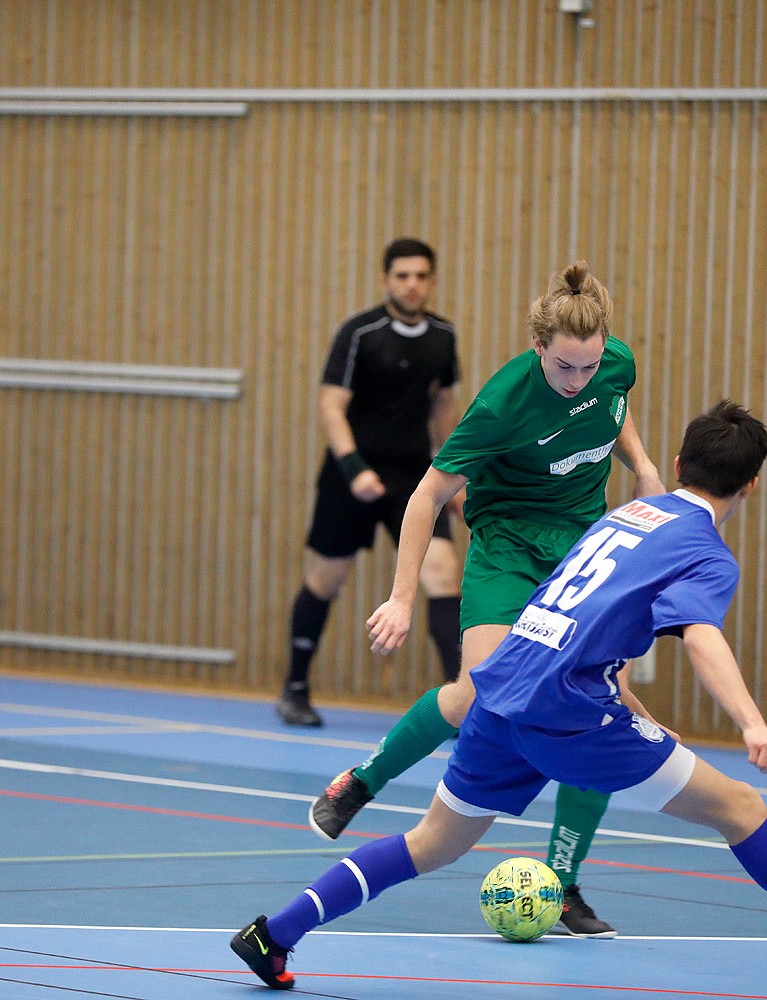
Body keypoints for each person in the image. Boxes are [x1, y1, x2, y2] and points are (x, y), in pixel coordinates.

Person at [233, 401, 767, 989]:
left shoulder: (626, 517)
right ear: (751, 486)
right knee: (741, 806)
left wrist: (629, 711)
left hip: (503, 688)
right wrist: (752, 723)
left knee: (430, 844)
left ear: (675, 466)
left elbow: (569, 619)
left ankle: (275, 934)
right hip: (567, 713)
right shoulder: (705, 552)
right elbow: (700, 638)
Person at [307, 260, 664, 936]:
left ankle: (563, 883)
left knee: (596, 707)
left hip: (582, 549)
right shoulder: (503, 401)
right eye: (564, 367)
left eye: (588, 367)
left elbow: (614, 411)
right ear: (538, 348)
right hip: (506, 543)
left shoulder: (615, 365)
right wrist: (402, 598)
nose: (577, 380)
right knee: (477, 694)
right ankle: (364, 778)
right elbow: (426, 495)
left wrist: (642, 466)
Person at [276, 238, 464, 727]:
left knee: (444, 573)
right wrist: (354, 467)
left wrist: (459, 475)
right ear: (386, 280)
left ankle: (461, 703)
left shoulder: (442, 336)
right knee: (326, 577)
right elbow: (330, 405)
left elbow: (444, 407)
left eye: (421, 276)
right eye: (402, 276)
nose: (412, 284)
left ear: (432, 280)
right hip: (352, 472)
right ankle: (295, 687)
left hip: (413, 478)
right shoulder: (360, 332)